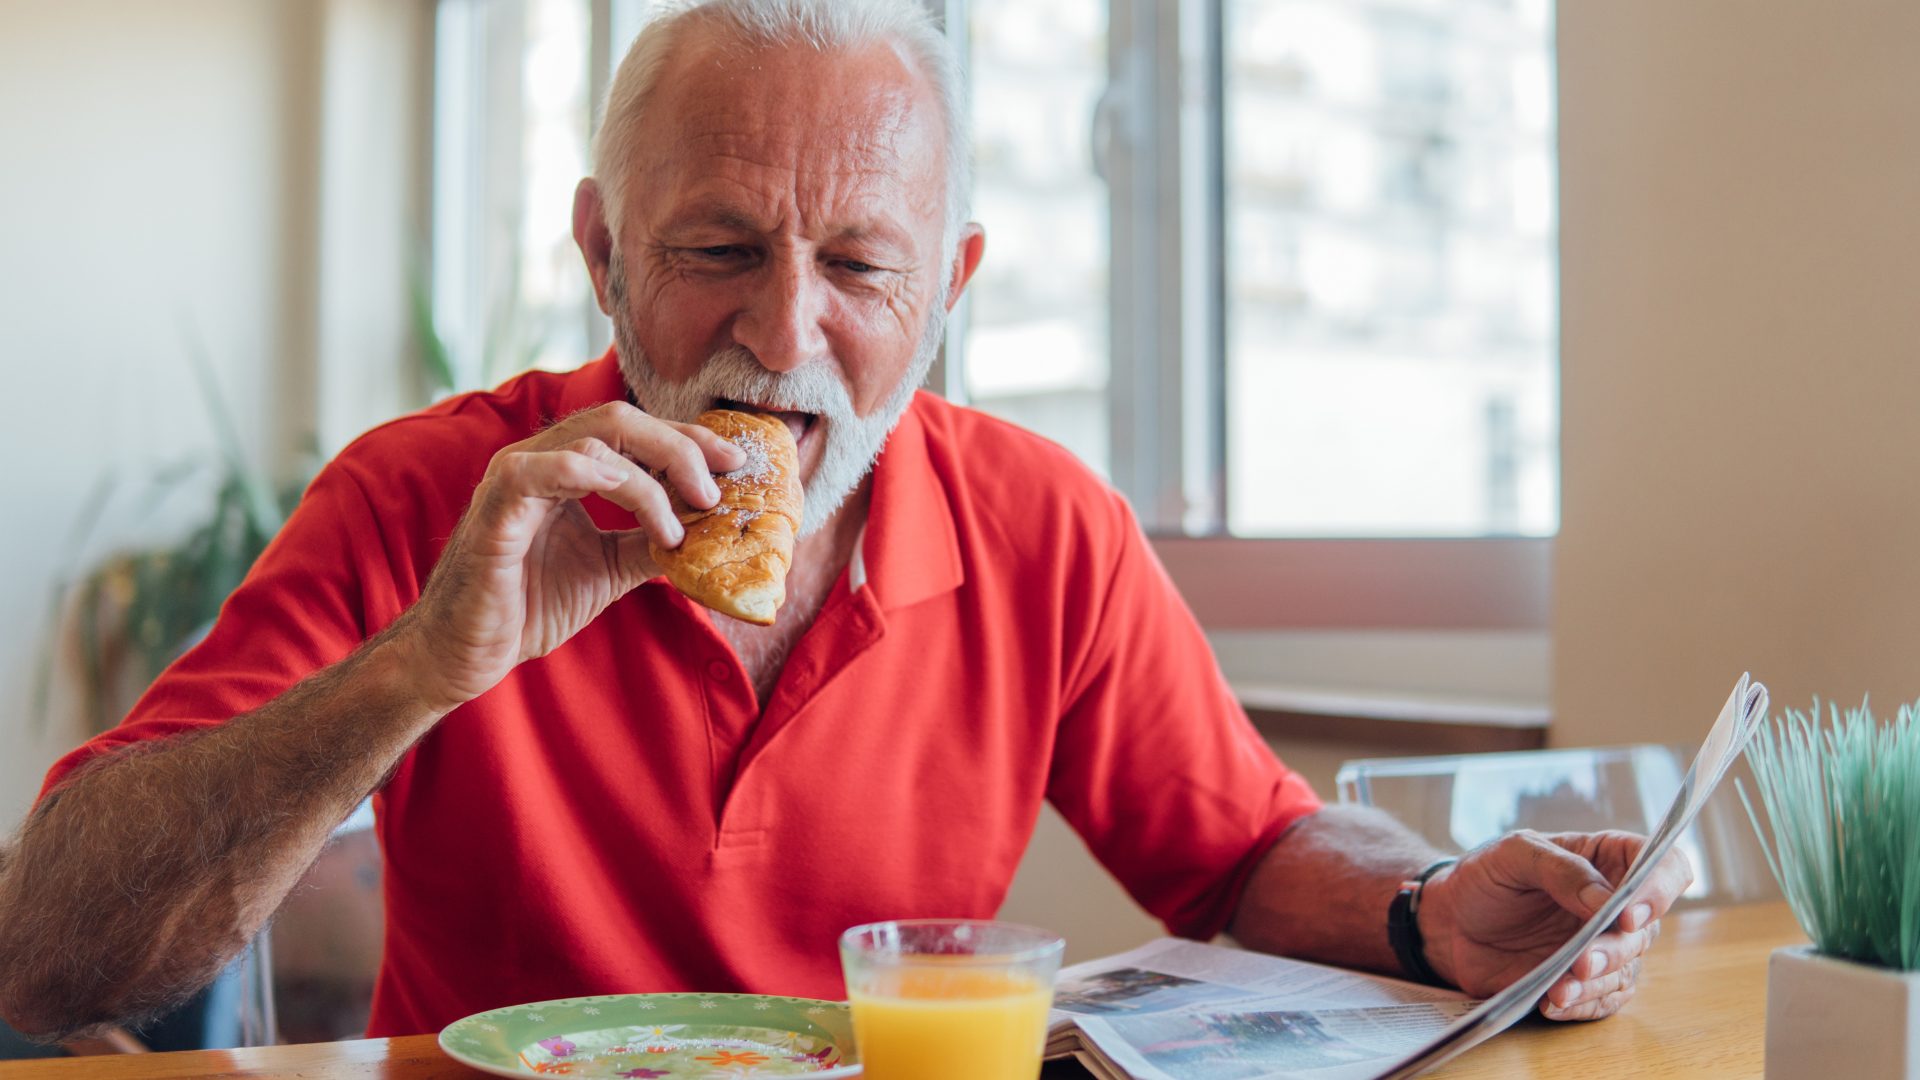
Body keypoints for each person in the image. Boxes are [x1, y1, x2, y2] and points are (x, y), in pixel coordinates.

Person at [0, 0, 1687, 1044]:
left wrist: (1431, 908)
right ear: (604, 256)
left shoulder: (1044, 526)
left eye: (861, 265)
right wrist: (420, 673)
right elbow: (47, 961)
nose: (787, 335)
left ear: (947, 288)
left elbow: (1243, 849)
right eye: (718, 250)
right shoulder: (430, 495)